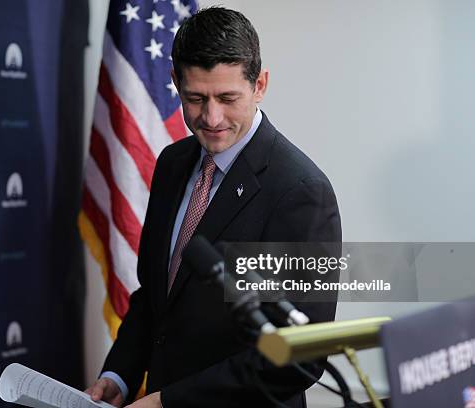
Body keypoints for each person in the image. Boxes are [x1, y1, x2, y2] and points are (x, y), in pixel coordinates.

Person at [85, 6, 341, 408]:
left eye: (227, 98)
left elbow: (296, 357)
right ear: (174, 82)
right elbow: (156, 298)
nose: (211, 118)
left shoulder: (300, 192)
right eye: (195, 98)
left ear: (260, 85)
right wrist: (119, 374)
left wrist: (168, 401)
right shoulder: (172, 164)